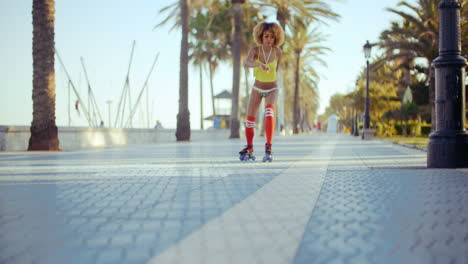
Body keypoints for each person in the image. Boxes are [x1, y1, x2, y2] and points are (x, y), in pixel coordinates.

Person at [239, 22, 284, 161]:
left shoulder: (277, 52)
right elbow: (246, 63)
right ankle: (250, 148)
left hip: (272, 88)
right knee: (250, 120)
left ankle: (268, 148)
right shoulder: (255, 50)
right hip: (257, 88)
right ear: (261, 37)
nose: (269, 39)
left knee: (269, 112)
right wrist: (258, 64)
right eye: (266, 36)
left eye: (272, 36)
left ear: (276, 38)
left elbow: (277, 71)